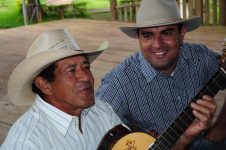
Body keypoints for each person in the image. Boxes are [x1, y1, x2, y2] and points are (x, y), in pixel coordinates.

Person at [96, 0, 226, 149]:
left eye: (166, 33)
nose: (157, 44)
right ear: (138, 37)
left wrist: (219, 130)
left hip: (205, 141)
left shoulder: (199, 57)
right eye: (147, 35)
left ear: (182, 33)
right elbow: (94, 134)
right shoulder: (118, 84)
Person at [0, 29, 122, 150]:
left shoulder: (101, 111)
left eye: (86, 67)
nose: (86, 77)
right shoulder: (27, 143)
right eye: (71, 70)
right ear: (44, 85)